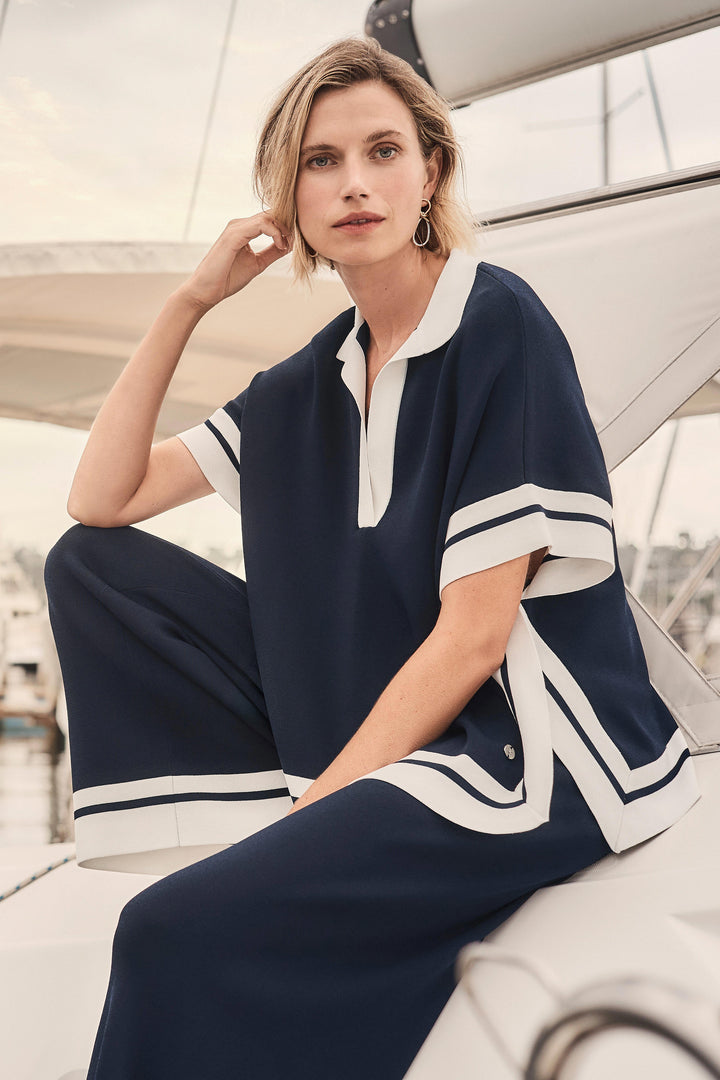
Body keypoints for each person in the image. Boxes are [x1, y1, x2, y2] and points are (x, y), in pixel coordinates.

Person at [44, 35, 700, 1080]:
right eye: (321, 162)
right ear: (289, 199)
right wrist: (189, 301)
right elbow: (102, 501)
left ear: (431, 174)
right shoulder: (309, 381)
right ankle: (276, 802)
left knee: (165, 931)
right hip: (375, 726)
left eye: (383, 152)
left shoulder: (497, 322)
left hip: (530, 748)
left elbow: (477, 636)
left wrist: (313, 822)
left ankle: (300, 823)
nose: (355, 183)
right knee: (87, 563)